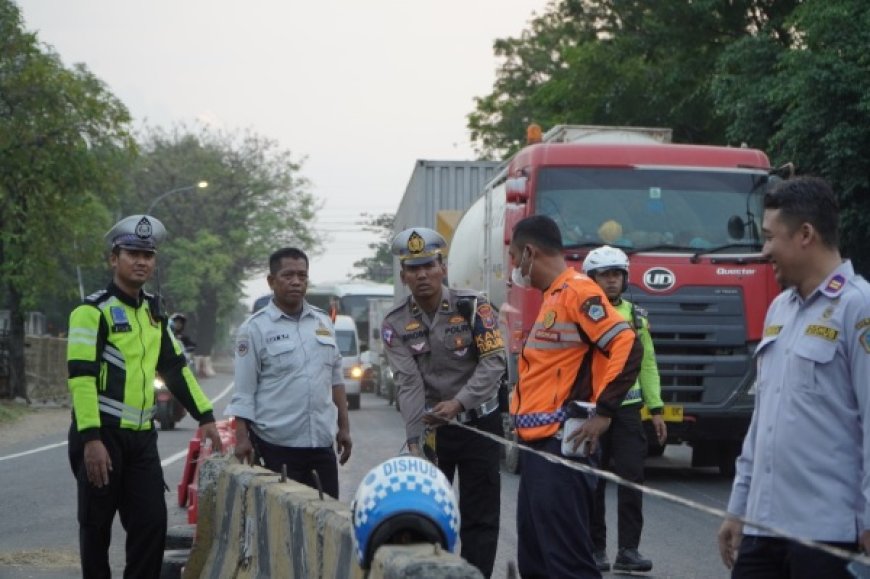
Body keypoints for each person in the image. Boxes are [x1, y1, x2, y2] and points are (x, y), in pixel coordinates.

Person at [717, 177, 870, 578]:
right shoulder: (779, 310)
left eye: (770, 237)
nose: (765, 250)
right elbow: (762, 421)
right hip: (764, 526)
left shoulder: (858, 307)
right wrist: (738, 507)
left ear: (806, 234)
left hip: (828, 534)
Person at [67, 214, 222, 579]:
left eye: (148, 256)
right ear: (113, 258)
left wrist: (206, 417)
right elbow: (81, 378)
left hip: (141, 440)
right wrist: (90, 439)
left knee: (151, 527)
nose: (141, 261)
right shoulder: (92, 311)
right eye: (132, 253)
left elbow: (175, 368)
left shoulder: (154, 312)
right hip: (101, 436)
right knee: (96, 530)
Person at [508, 214, 643, 578]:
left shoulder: (578, 292)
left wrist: (605, 411)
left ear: (529, 253)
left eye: (513, 257)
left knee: (567, 565)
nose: (514, 269)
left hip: (560, 451)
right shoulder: (554, 297)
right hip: (538, 450)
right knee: (535, 562)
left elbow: (627, 345)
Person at [381, 227, 507, 578]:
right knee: (429, 514)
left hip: (480, 424)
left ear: (442, 268)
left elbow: (494, 362)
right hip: (434, 430)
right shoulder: (394, 324)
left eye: (429, 265)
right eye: (413, 268)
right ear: (404, 275)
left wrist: (460, 402)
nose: (422, 274)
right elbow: (407, 382)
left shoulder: (474, 306)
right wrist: (413, 438)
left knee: (480, 517)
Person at [226, 247, 352, 499]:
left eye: (302, 275)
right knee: (280, 529)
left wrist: (344, 428)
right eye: (288, 275)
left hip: (321, 445)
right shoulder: (254, 329)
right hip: (276, 448)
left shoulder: (323, 322)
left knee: (325, 524)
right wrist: (242, 439)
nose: (296, 281)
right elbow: (244, 391)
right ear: (271, 281)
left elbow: (335, 379)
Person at [582, 245, 667, 573]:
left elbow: (647, 363)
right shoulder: (583, 312)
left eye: (617, 274)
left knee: (632, 478)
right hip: (592, 412)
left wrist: (656, 408)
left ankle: (628, 550)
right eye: (605, 274)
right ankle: (595, 549)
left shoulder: (636, 316)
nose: (612, 281)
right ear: (593, 279)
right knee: (593, 481)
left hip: (629, 412)